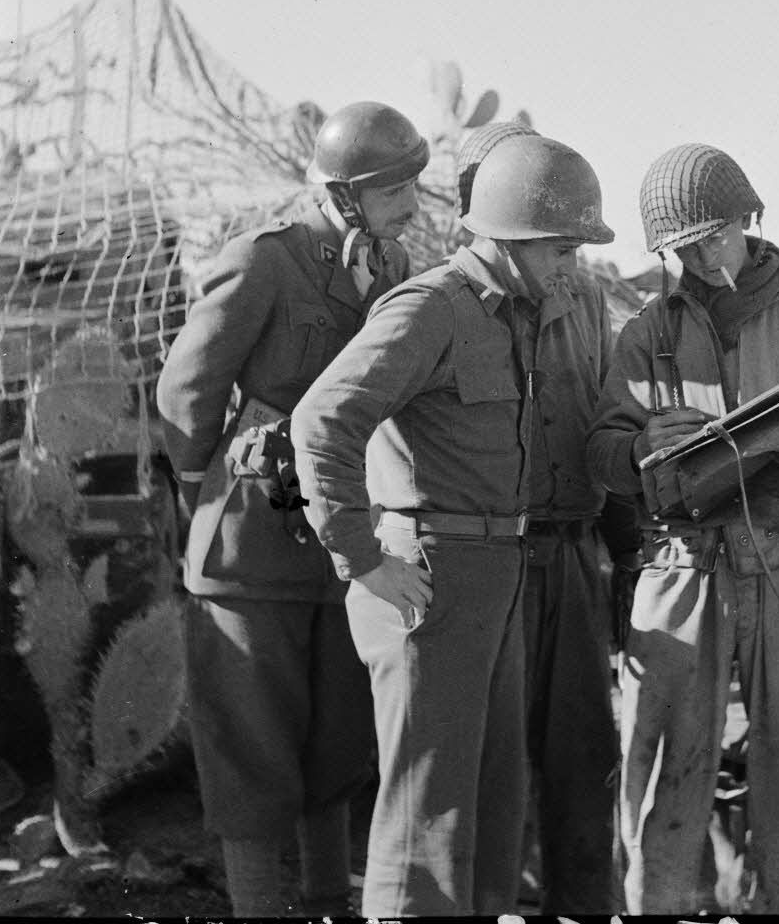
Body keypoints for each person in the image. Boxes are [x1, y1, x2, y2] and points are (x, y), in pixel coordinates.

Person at [289, 134, 617, 917]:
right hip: (428, 574)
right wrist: (362, 559)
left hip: (494, 574)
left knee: (490, 808)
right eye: (561, 247)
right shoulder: (431, 306)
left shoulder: (520, 313)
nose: (572, 263)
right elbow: (322, 422)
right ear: (509, 239)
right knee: (424, 820)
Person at [587, 142, 779, 915]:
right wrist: (640, 445)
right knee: (660, 768)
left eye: (710, 237)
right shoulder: (646, 330)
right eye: (679, 249)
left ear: (747, 221)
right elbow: (601, 454)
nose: (698, 258)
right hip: (681, 567)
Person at [155, 100, 429, 917]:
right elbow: (186, 390)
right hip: (250, 547)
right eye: (391, 192)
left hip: (344, 537)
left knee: (336, 739)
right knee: (252, 746)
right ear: (344, 196)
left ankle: (324, 898)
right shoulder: (265, 261)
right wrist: (208, 491)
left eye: (412, 187)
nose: (408, 206)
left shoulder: (396, 269)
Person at [456, 123, 639, 914]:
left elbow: (606, 425)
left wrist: (630, 565)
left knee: (580, 763)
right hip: (481, 565)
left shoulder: (584, 296)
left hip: (569, 558)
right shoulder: (448, 305)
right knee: (485, 780)